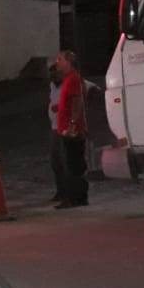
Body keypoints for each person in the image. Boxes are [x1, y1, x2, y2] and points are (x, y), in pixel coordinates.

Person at [53, 50, 89, 209]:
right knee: (72, 163)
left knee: (72, 164)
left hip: (71, 130)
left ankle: (74, 197)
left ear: (68, 62)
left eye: (60, 59)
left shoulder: (73, 79)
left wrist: (72, 123)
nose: (57, 63)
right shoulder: (69, 79)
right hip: (67, 128)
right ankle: (77, 197)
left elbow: (77, 101)